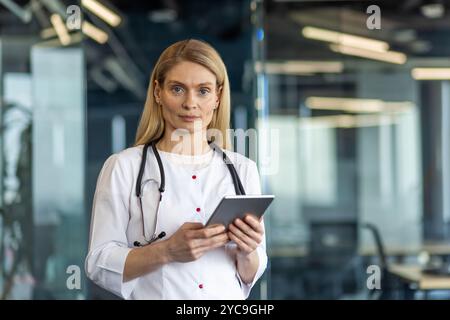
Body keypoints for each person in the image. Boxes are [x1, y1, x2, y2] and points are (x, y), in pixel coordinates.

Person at [85, 39, 267, 300]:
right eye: (178, 89)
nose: (190, 103)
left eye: (203, 91)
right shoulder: (124, 167)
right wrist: (168, 251)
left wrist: (247, 250)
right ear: (158, 92)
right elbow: (98, 262)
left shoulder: (243, 170)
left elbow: (251, 272)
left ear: (217, 96)